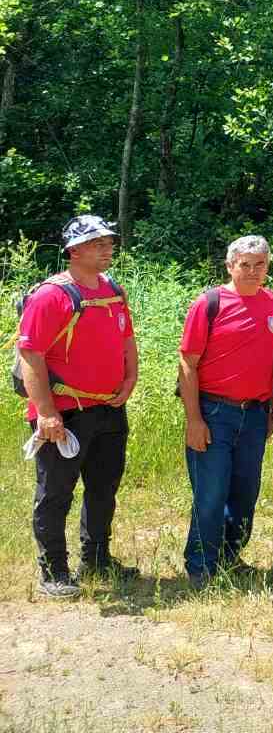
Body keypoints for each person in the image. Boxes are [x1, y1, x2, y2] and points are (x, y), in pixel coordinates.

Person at [16, 214, 138, 598]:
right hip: (64, 413)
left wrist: (130, 378)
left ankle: (97, 559)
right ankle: (53, 570)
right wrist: (46, 412)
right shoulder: (51, 296)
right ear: (74, 250)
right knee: (56, 493)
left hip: (109, 409)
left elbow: (126, 338)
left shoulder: (113, 289)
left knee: (104, 488)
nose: (107, 248)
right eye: (97, 243)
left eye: (109, 242)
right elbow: (30, 355)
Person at [178, 234, 273, 586]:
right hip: (214, 413)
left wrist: (270, 412)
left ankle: (229, 558)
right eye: (245, 265)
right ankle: (201, 567)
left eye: (259, 264)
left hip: (254, 414)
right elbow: (187, 363)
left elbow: (271, 361)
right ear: (230, 266)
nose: (252, 271)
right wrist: (194, 420)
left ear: (267, 266)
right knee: (211, 493)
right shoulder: (209, 303)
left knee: (244, 493)